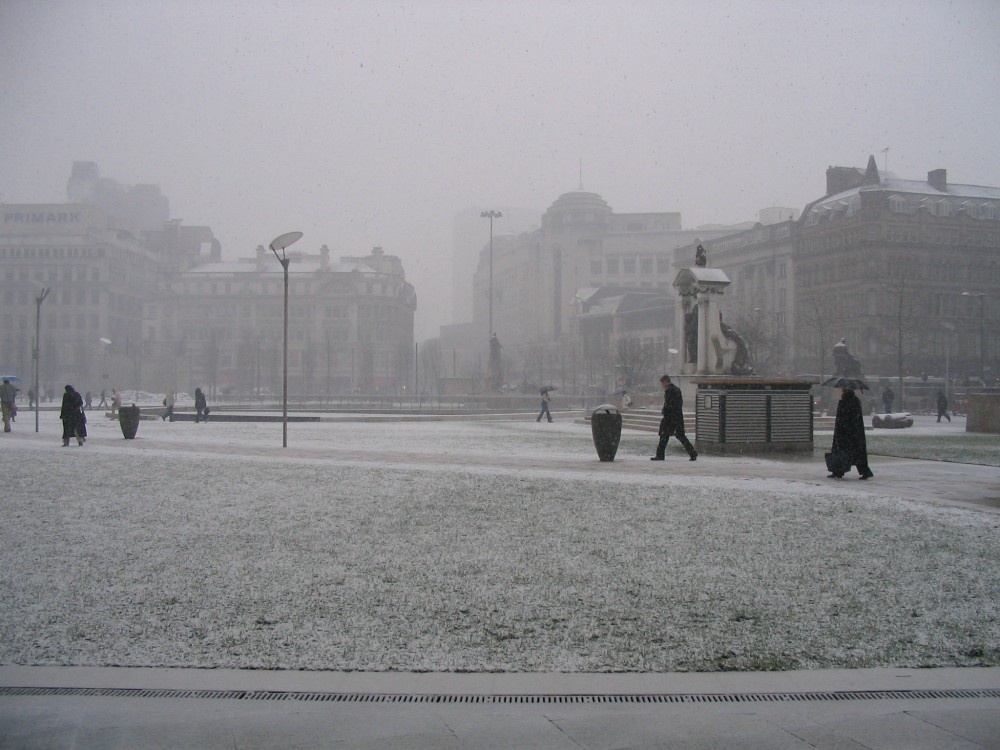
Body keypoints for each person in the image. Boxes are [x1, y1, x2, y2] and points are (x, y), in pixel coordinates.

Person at [651, 374, 697, 461]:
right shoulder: (675, 390)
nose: (662, 385)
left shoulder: (670, 390)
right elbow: (677, 403)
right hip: (675, 417)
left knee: (666, 435)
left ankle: (660, 455)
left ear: (665, 382)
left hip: (671, 418)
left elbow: (671, 404)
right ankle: (692, 453)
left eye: (662, 383)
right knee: (676, 436)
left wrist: (666, 411)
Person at [829, 387, 873, 479]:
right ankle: (864, 471)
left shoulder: (844, 402)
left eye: (843, 390)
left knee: (841, 452)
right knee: (857, 453)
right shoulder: (855, 401)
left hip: (845, 432)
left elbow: (842, 418)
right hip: (854, 432)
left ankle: (838, 471)